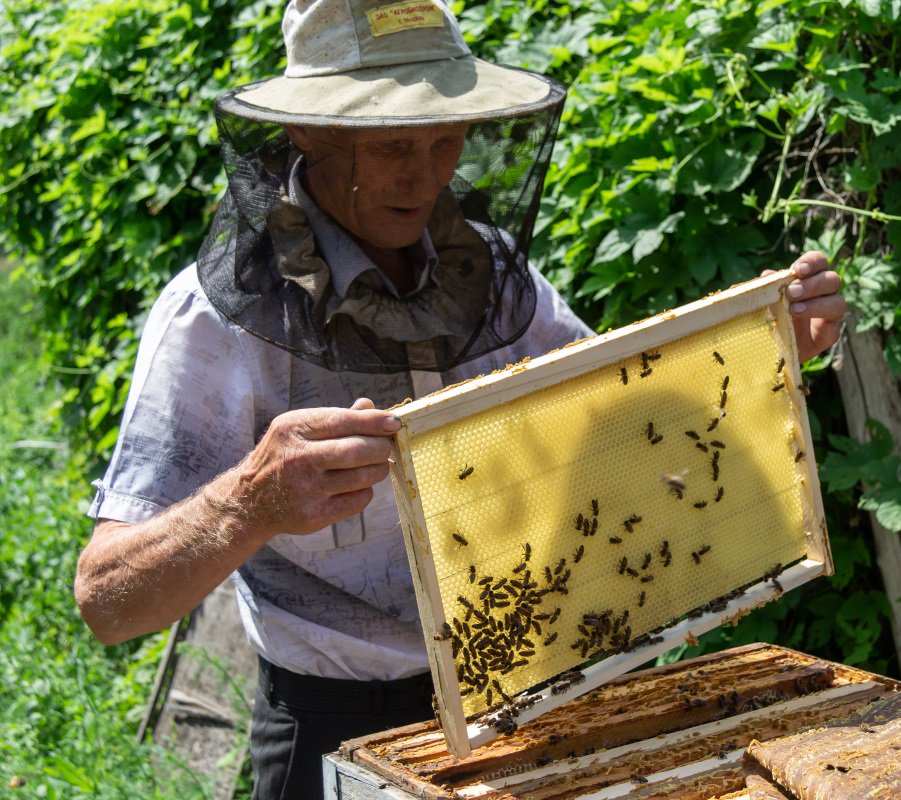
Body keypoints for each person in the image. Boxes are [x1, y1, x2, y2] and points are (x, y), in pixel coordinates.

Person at [73, 0, 846, 797]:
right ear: (307, 132)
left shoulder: (494, 274)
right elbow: (106, 603)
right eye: (396, 142)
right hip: (341, 730)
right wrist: (249, 502)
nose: (429, 171)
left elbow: (626, 440)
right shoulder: (213, 323)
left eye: (447, 135)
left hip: (539, 699)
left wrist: (769, 351)